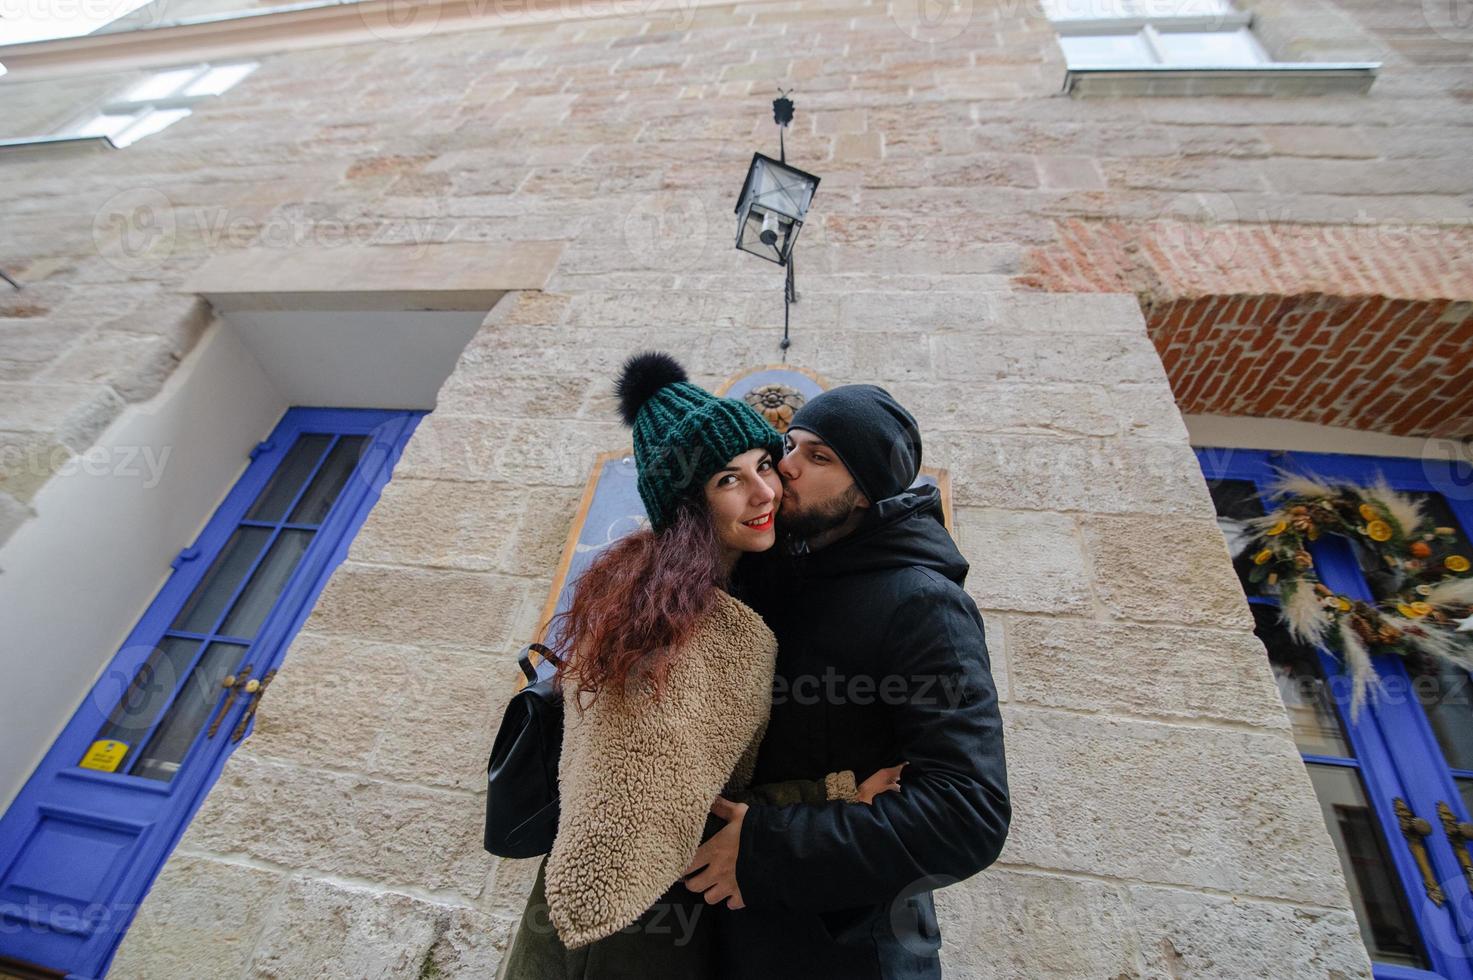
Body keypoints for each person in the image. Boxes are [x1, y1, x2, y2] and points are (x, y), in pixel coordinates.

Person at [496, 354, 908, 980]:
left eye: (765, 465)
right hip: (625, 938)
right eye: (727, 480)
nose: (765, 490)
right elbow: (648, 812)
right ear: (688, 506)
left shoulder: (679, 591)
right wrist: (835, 796)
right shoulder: (676, 622)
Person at [683, 384, 1012, 980]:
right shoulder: (772, 578)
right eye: (792, 445)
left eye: (821, 458)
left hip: (854, 951)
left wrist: (768, 850)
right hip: (736, 937)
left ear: (866, 491)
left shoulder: (923, 605)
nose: (787, 466)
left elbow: (967, 814)